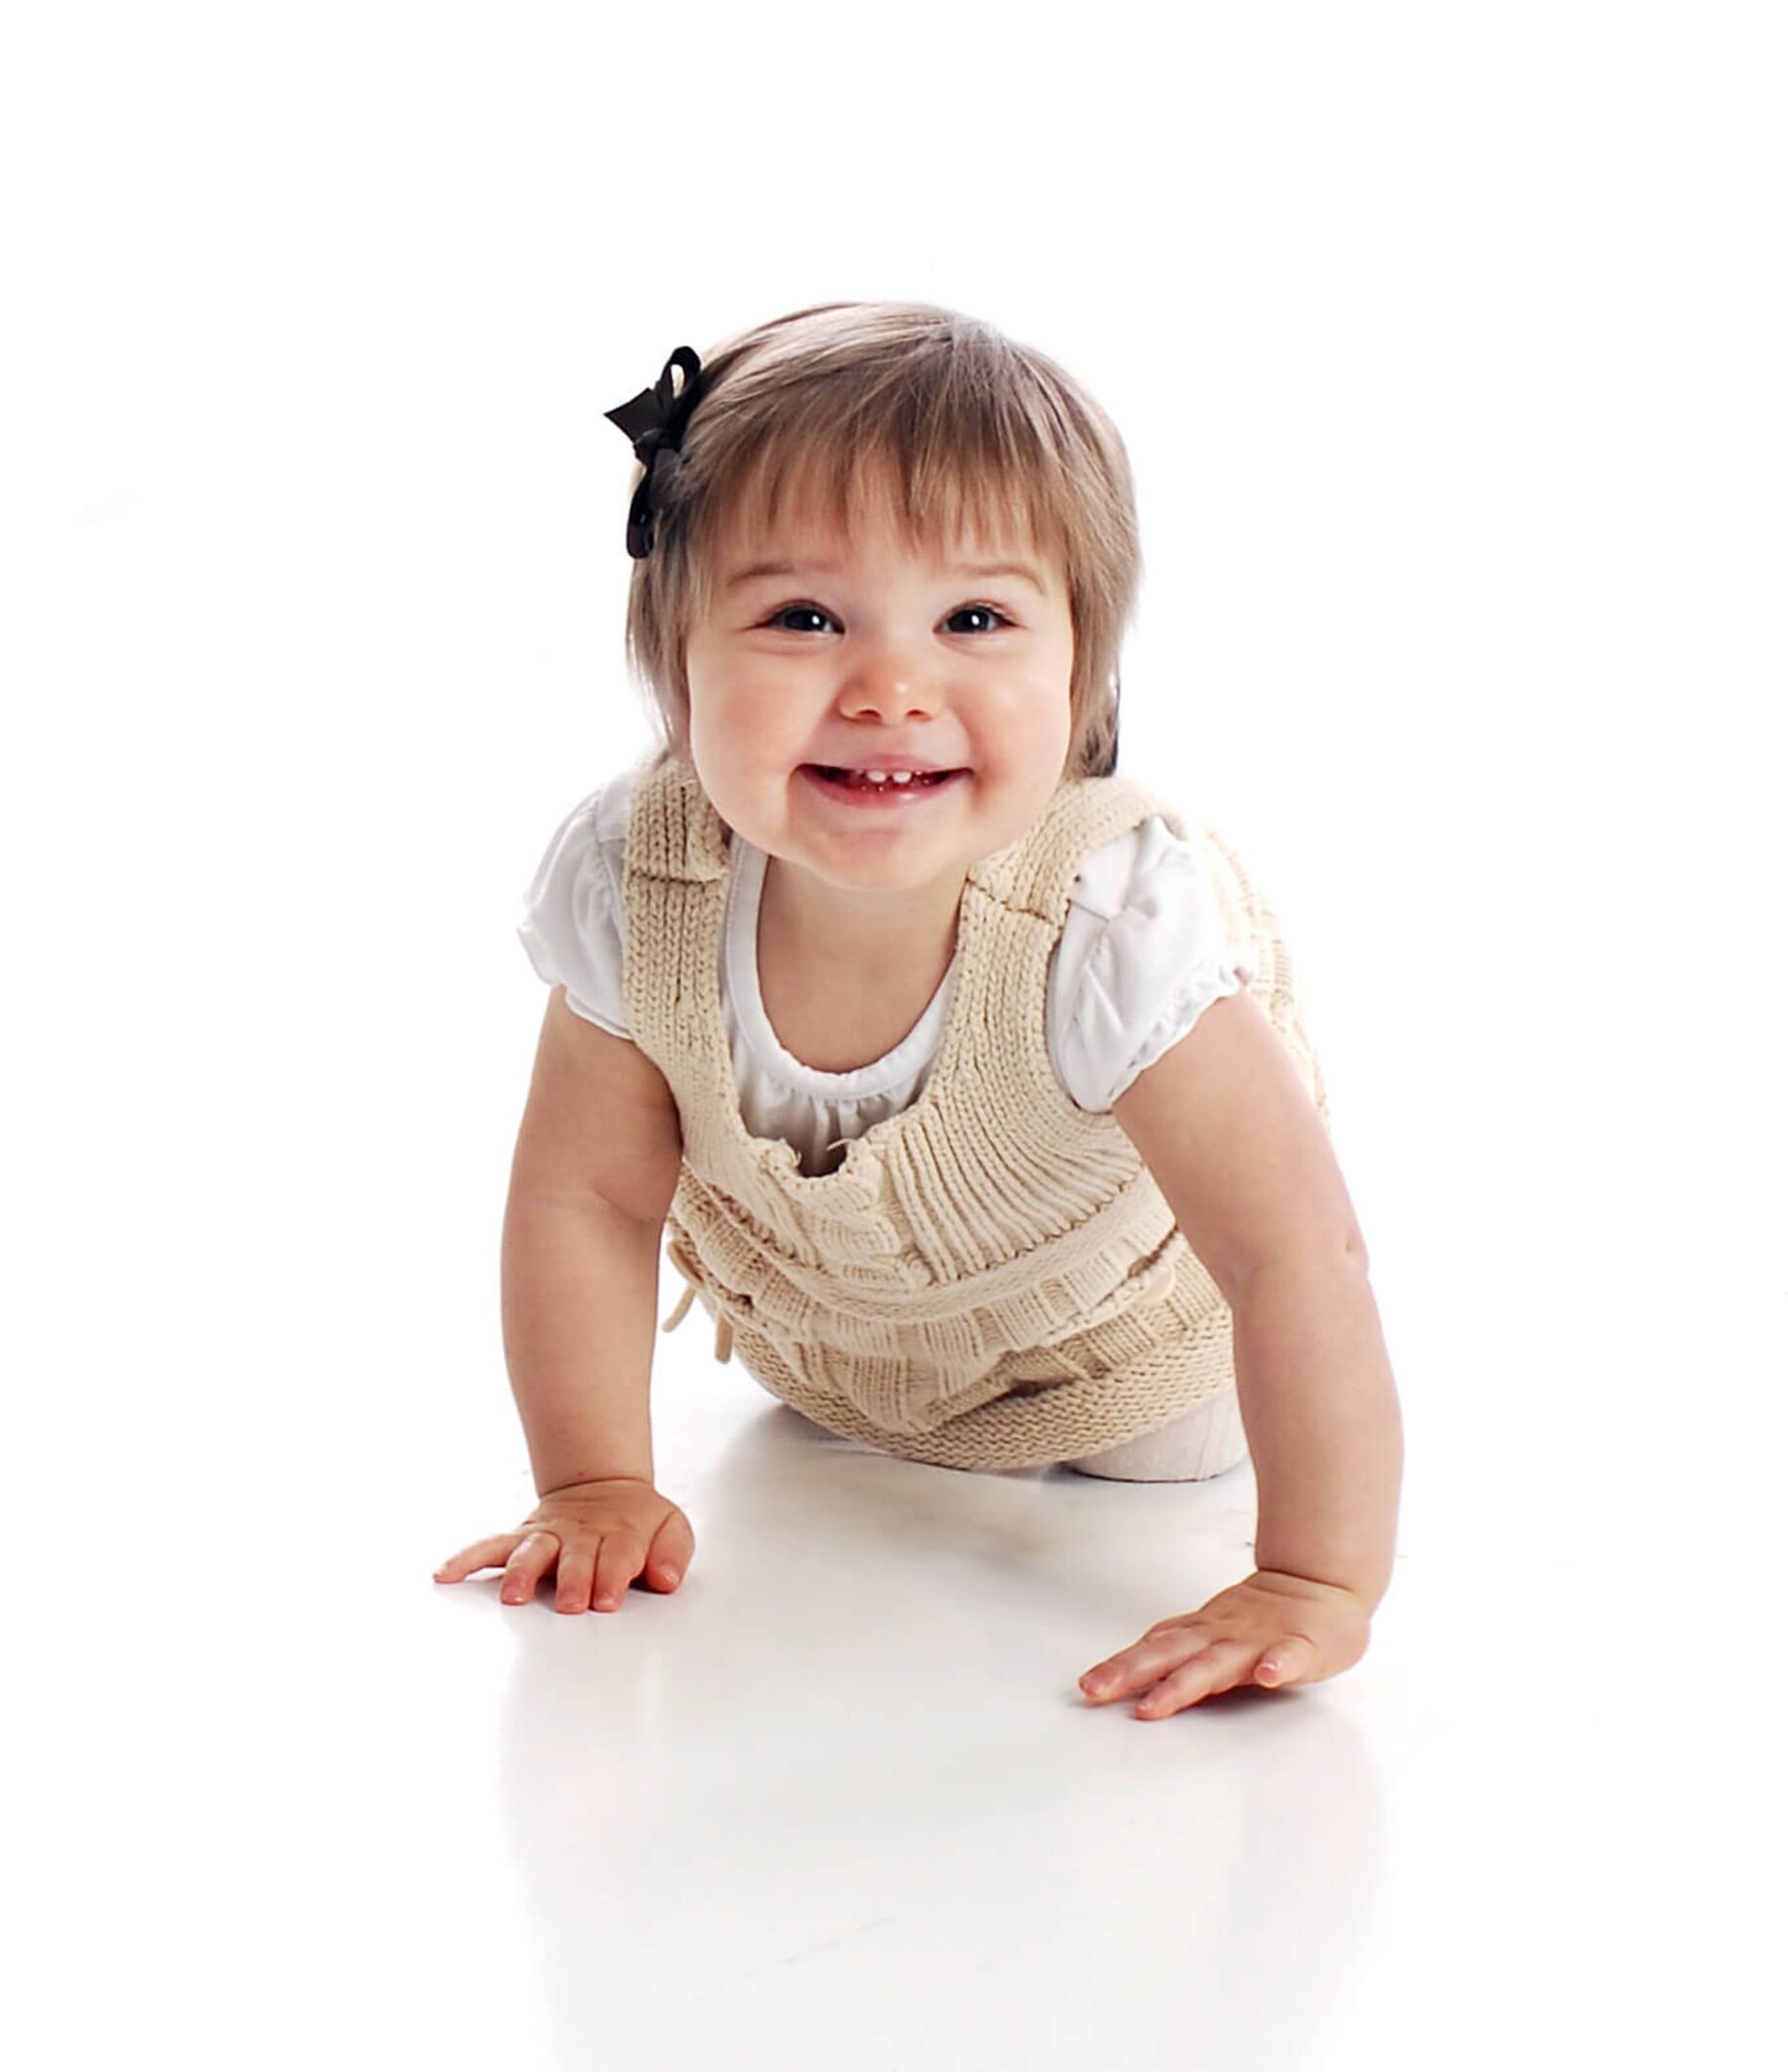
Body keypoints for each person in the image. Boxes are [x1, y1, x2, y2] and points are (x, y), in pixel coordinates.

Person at [435, 301, 1403, 1717]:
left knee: (1155, 1444)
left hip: (1136, 1391)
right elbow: (585, 1196)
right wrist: (592, 1479)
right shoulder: (638, 878)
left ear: (1079, 668)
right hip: (842, 1382)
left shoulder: (1104, 922)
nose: (891, 689)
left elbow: (1292, 1253)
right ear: (674, 654)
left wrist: (1314, 1581)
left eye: (974, 619)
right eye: (804, 616)